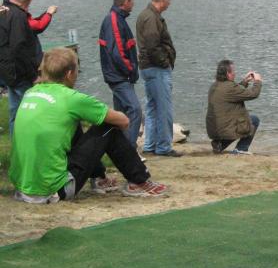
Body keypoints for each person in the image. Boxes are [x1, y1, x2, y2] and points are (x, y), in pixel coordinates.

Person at [9, 48, 167, 202]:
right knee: (108, 128)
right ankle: (139, 181)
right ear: (69, 74)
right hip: (54, 190)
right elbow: (124, 121)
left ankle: (99, 178)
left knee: (71, 123)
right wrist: (97, 115)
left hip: (23, 188)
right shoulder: (71, 98)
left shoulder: (31, 92)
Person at [0, 0, 57, 135]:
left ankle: (16, 143)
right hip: (20, 74)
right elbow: (19, 49)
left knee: (15, 111)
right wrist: (34, 76)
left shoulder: (4, 10)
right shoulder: (18, 17)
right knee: (35, 110)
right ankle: (35, 142)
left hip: (8, 72)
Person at [135, 0, 181, 157]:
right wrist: (165, 63)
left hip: (148, 68)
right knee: (164, 108)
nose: (170, 2)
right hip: (156, 69)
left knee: (152, 107)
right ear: (162, 0)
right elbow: (152, 46)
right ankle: (163, 147)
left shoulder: (147, 15)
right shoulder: (151, 18)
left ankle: (150, 145)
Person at [99, 0, 142, 147]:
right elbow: (117, 53)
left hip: (118, 75)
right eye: (132, 0)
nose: (134, 3)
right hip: (119, 76)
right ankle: (128, 150)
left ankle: (117, 149)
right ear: (125, 2)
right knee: (135, 110)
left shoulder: (118, 19)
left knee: (120, 116)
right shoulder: (114, 20)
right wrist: (131, 69)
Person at [206, 59, 262, 155]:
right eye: (233, 71)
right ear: (228, 73)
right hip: (224, 129)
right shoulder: (230, 87)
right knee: (254, 120)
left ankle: (220, 144)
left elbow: (235, 91)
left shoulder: (214, 85)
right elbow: (253, 94)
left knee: (232, 124)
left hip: (214, 130)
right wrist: (258, 81)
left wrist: (245, 81)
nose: (235, 73)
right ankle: (241, 149)